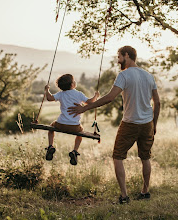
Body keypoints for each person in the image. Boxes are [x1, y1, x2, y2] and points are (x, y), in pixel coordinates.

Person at [68, 46, 160, 204]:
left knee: (118, 156)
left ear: (127, 55)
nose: (118, 60)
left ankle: (124, 196)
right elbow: (157, 102)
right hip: (147, 124)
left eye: (119, 57)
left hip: (130, 123)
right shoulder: (148, 76)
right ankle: (145, 192)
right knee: (145, 158)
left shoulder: (123, 75)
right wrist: (154, 123)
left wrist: (85, 108)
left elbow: (110, 97)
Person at [44, 74, 99, 165]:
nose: (75, 82)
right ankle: (74, 151)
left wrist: (47, 90)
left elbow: (49, 98)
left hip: (60, 124)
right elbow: (90, 102)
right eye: (74, 81)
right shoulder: (78, 94)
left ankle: (50, 146)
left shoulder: (61, 94)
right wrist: (96, 96)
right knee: (80, 132)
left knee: (51, 127)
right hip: (74, 126)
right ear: (72, 85)